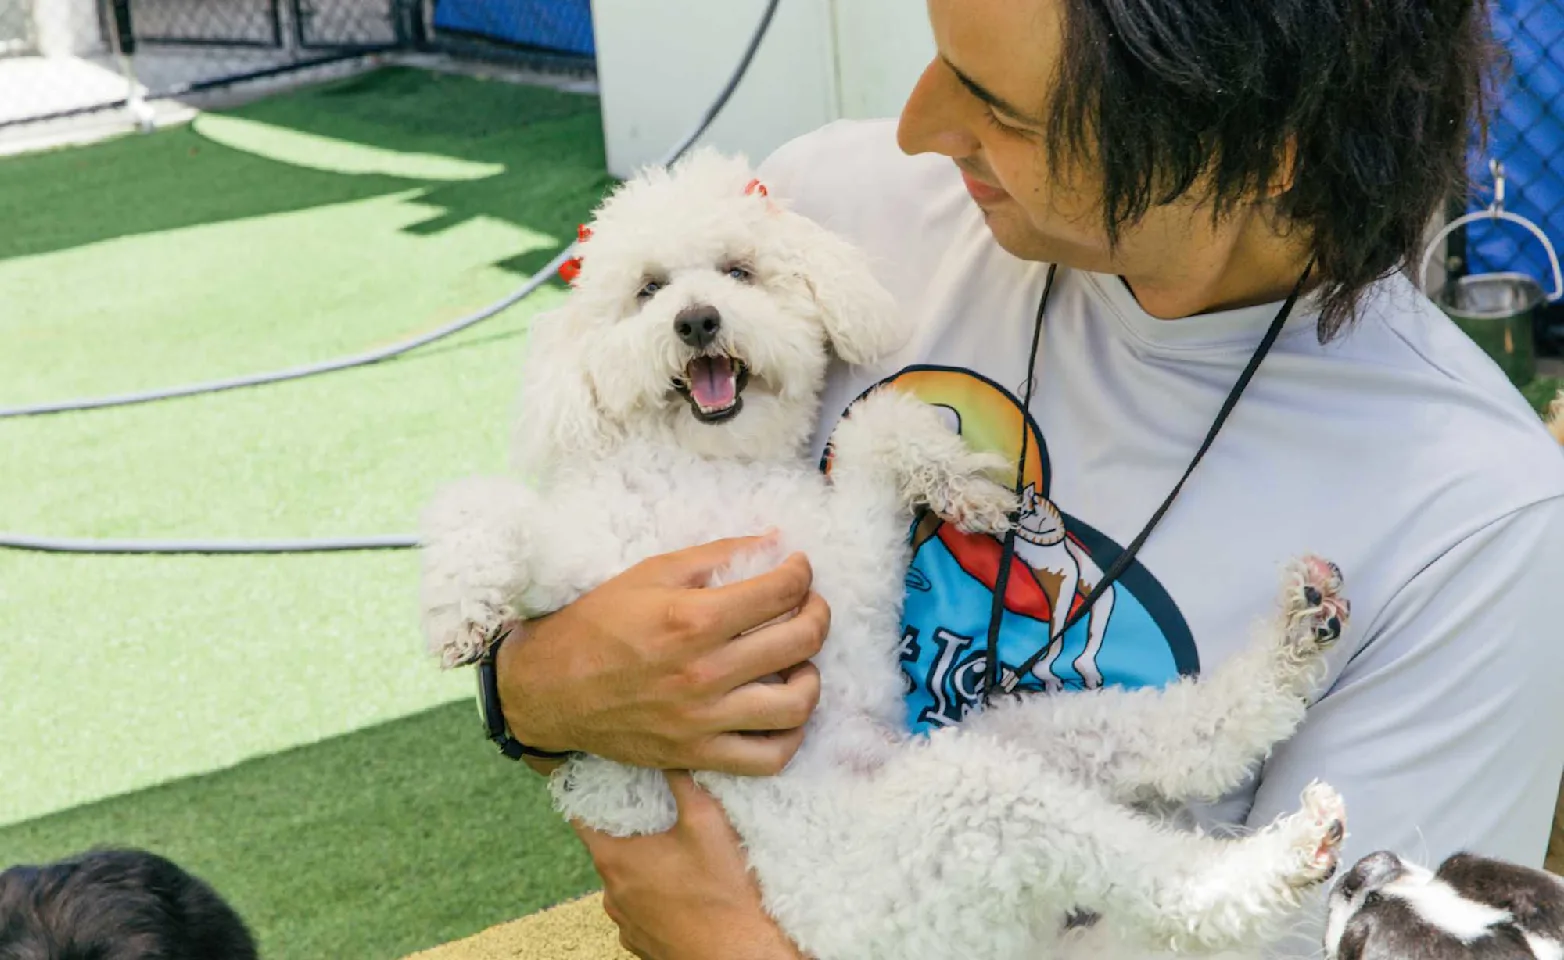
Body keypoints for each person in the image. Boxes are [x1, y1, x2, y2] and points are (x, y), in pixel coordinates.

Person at [488, 0, 1564, 956]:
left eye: (1004, 108)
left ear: (1258, 150)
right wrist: (534, 687)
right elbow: (584, 551)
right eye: (938, 54)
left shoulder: (1475, 527)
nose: (919, 127)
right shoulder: (823, 216)